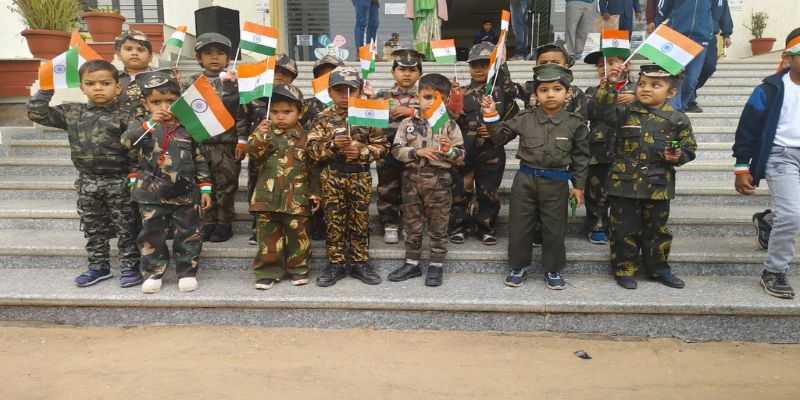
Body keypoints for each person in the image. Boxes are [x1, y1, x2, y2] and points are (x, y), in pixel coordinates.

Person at [27, 60, 141, 288]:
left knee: (126, 226)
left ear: (118, 87)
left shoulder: (126, 115)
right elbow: (36, 113)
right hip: (87, 182)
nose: (98, 88)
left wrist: (134, 179)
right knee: (93, 227)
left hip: (119, 181)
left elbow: (136, 150)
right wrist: (46, 89)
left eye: (105, 83)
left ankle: (130, 266)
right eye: (90, 83)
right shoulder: (73, 112)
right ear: (82, 87)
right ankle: (98, 267)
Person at [483, 64, 590, 290]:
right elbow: (500, 137)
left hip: (556, 182)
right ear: (536, 94)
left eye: (557, 89)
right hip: (525, 181)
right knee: (520, 227)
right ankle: (518, 266)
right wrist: (491, 114)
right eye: (544, 90)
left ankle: (552, 269)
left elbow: (581, 157)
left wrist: (578, 186)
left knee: (554, 228)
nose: (550, 94)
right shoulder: (524, 118)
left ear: (568, 93)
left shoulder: (575, 123)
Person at [600, 63, 697, 289]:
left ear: (671, 92)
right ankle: (624, 269)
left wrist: (678, 156)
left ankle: (658, 269)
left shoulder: (677, 119)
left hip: (658, 184)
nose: (646, 88)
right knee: (623, 229)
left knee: (657, 231)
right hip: (624, 184)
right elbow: (603, 112)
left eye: (655, 85)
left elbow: (689, 148)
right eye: (642, 83)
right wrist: (610, 85)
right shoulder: (625, 112)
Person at [122, 72, 212, 294]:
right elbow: (126, 143)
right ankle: (154, 272)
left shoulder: (189, 127)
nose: (164, 107)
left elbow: (200, 159)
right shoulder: (142, 126)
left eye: (170, 101)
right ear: (145, 104)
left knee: (188, 233)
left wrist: (205, 188)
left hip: (185, 192)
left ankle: (187, 272)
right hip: (151, 193)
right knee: (151, 234)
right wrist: (149, 124)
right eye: (156, 102)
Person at [306, 66, 390, 287]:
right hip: (332, 176)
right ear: (329, 92)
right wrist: (333, 146)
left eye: (351, 90)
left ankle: (360, 263)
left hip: (359, 176)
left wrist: (361, 152)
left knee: (360, 222)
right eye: (339, 90)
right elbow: (311, 150)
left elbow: (383, 146)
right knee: (334, 222)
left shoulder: (368, 114)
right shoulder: (323, 117)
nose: (345, 95)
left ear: (360, 90)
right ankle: (336, 263)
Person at [732, 28, 800, 299]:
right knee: (793, 215)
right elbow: (747, 129)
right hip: (781, 155)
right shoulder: (769, 89)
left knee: (789, 213)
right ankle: (774, 271)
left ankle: (769, 220)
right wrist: (741, 166)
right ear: (788, 57)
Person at [389, 73, 466, 287]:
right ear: (418, 97)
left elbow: (461, 156)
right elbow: (396, 149)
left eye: (437, 98)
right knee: (412, 224)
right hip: (412, 179)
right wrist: (416, 152)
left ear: (446, 100)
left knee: (438, 225)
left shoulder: (450, 126)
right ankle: (412, 263)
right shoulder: (407, 123)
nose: (431, 102)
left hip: (439, 181)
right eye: (427, 97)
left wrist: (448, 150)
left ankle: (436, 265)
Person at [244, 84, 322, 290]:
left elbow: (314, 168)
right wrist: (259, 136)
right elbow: (252, 153)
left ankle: (299, 268)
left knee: (299, 236)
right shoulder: (264, 133)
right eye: (275, 112)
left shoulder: (308, 137)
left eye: (287, 112)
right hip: (267, 197)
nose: (280, 117)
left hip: (297, 196)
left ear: (300, 113)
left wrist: (315, 193)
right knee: (268, 238)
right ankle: (267, 271)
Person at [450, 42, 525, 246]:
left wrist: (496, 132)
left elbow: (514, 122)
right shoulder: (460, 92)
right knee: (460, 190)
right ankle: (459, 226)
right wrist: (452, 100)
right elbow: (449, 121)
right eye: (474, 65)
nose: (479, 69)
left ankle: (486, 227)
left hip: (491, 151)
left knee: (488, 192)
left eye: (484, 65)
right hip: (464, 150)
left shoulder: (501, 94)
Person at [182, 32, 247, 243]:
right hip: (199, 143)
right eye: (208, 53)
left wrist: (242, 139)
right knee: (204, 183)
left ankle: (224, 222)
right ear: (198, 58)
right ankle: (209, 221)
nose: (214, 57)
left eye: (220, 53)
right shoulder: (190, 83)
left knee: (226, 185)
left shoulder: (234, 82)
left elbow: (242, 113)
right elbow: (182, 112)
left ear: (228, 58)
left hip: (226, 144)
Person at [525, 43, 588, 246]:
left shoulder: (575, 94)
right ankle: (535, 231)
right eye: (543, 62)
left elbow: (579, 133)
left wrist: (578, 184)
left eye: (555, 62)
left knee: (553, 207)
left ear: (567, 66)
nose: (549, 65)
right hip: (535, 153)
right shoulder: (531, 88)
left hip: (560, 153)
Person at [243, 53, 300, 245]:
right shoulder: (254, 97)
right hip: (260, 151)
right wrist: (242, 141)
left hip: (288, 152)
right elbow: (242, 121)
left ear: (293, 77)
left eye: (285, 72)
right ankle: (257, 225)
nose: (279, 75)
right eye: (275, 71)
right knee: (256, 187)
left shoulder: (296, 100)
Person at [582, 50, 636, 245]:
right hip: (600, 148)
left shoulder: (638, 89)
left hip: (630, 148)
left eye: (612, 62)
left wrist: (636, 98)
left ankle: (620, 226)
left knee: (624, 189)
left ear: (626, 65)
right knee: (596, 189)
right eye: (600, 65)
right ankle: (596, 225)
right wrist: (606, 92)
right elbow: (588, 112)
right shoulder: (592, 91)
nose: (606, 67)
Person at [374, 48, 423, 244]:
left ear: (420, 73)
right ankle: (390, 224)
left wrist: (412, 111)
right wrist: (366, 99)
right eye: (402, 69)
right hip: (388, 149)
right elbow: (371, 119)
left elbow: (436, 115)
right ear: (393, 72)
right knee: (388, 188)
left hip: (415, 150)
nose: (407, 74)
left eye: (412, 70)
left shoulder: (425, 95)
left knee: (413, 189)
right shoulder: (382, 95)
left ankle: (410, 225)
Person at [302, 55, 347, 242]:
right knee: (316, 189)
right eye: (323, 75)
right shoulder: (308, 104)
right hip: (318, 156)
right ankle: (318, 222)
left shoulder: (351, 102)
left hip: (345, 160)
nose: (327, 77)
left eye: (332, 73)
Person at [656, 0, 713, 111]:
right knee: (674, 76)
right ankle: (674, 110)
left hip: (700, 39)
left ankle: (681, 108)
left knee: (691, 80)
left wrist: (709, 30)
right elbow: (661, 9)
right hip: (676, 36)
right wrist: (662, 27)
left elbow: (715, 10)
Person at [685, 0, 733, 113]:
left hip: (710, 36)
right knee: (689, 69)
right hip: (690, 34)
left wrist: (726, 34)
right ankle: (689, 100)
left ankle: (689, 91)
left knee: (709, 67)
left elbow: (725, 13)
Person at [114, 30, 153, 119]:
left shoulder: (161, 78)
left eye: (141, 50)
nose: (134, 53)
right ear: (119, 55)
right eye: (128, 49)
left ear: (150, 57)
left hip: (153, 125)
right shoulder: (111, 79)